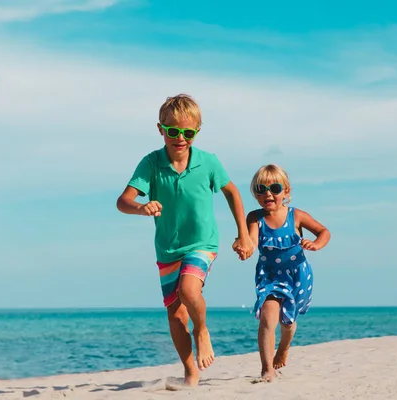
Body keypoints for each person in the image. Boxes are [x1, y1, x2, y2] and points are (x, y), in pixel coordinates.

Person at [116, 93, 255, 386]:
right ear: (160, 129)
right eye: (173, 131)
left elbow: (232, 192)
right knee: (177, 317)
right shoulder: (151, 163)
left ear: (197, 132)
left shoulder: (209, 162)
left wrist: (243, 233)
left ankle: (202, 330)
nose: (180, 138)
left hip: (202, 243)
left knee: (190, 290)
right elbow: (123, 201)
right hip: (167, 248)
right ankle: (190, 371)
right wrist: (142, 207)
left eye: (188, 132)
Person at [245, 164, 331, 382]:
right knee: (267, 316)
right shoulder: (255, 218)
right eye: (261, 189)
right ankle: (267, 369)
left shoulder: (297, 216)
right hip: (270, 275)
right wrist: (244, 246)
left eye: (274, 188)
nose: (268, 194)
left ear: (286, 191)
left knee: (288, 322)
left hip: (297, 276)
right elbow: (252, 241)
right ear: (255, 194)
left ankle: (283, 347)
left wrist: (316, 245)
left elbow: (323, 231)